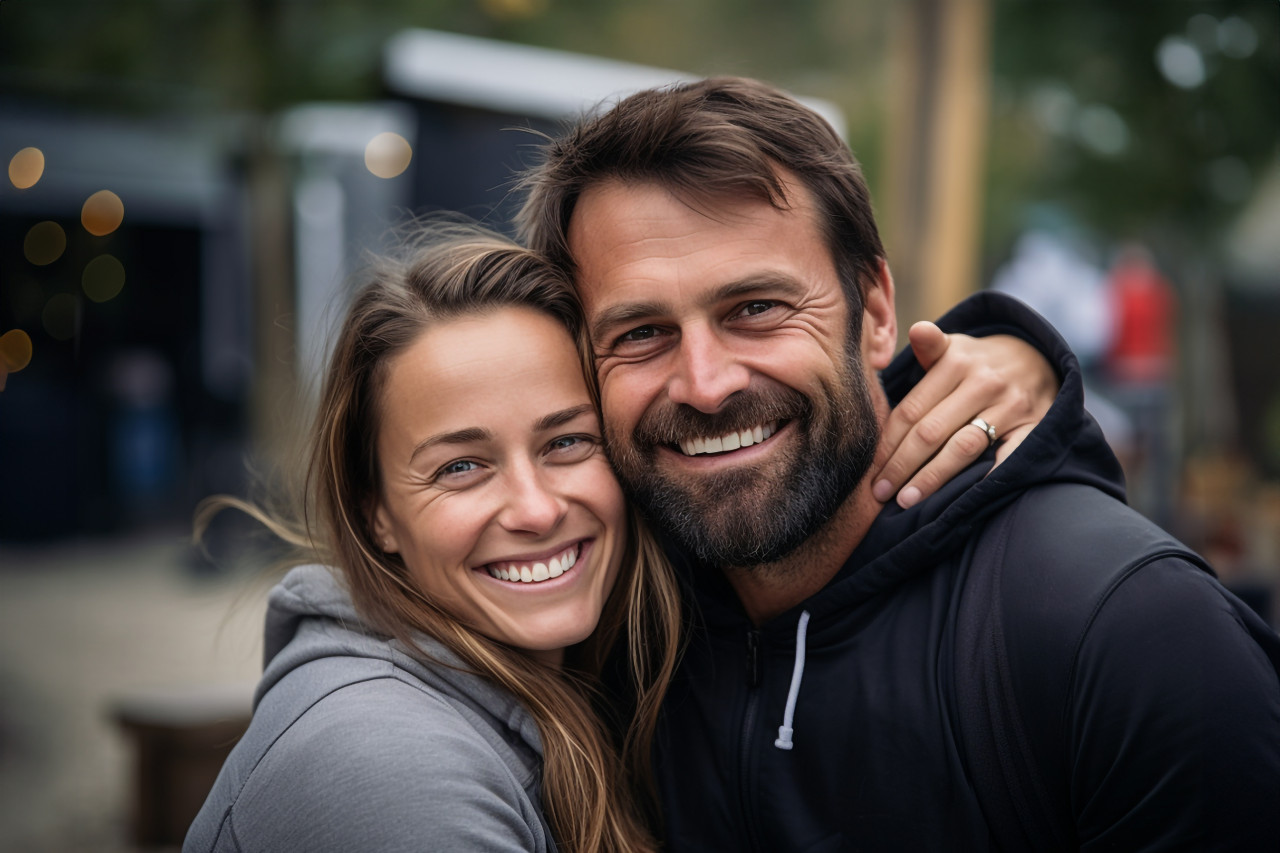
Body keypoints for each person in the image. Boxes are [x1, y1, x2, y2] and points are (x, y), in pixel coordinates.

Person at [516, 76, 1280, 850]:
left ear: (877, 312)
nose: (706, 384)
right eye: (641, 332)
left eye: (757, 308)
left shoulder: (1130, 633)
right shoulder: (594, 617)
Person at [183, 224, 1058, 852]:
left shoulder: (615, 652)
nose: (534, 508)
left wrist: (1023, 361)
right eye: (461, 466)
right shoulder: (386, 766)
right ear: (375, 510)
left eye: (568, 442)